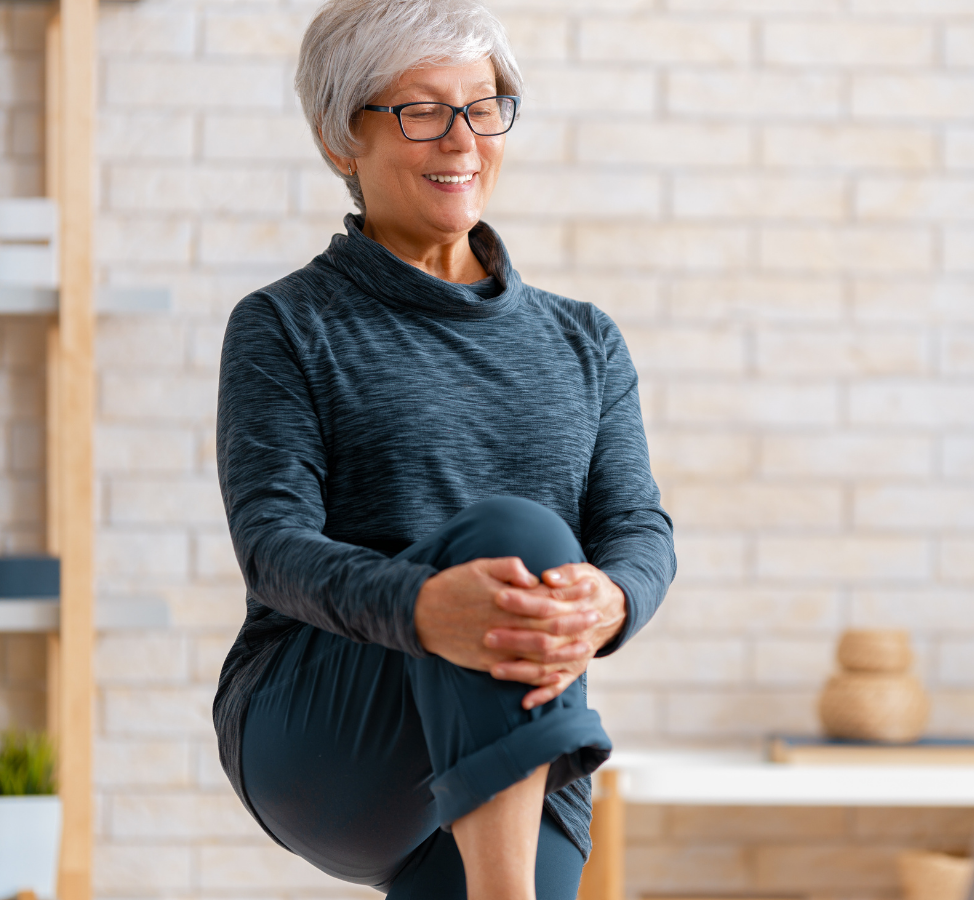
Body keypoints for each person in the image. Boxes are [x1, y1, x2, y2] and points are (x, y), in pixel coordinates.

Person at [210, 1, 676, 899]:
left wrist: (610, 600)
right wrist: (427, 608)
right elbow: (272, 547)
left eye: (484, 105)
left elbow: (636, 526)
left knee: (545, 567)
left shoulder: (586, 342)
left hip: (516, 727)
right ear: (340, 136)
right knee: (522, 538)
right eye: (423, 111)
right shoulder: (286, 325)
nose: (462, 140)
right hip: (322, 725)